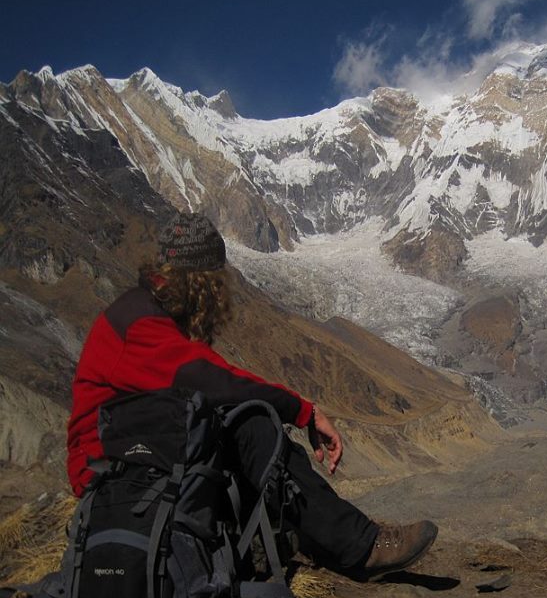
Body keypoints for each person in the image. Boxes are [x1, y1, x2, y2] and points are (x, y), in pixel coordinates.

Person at [66, 211, 437, 578]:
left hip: (131, 457)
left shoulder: (147, 313)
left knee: (232, 424)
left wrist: (301, 409)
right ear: (202, 280)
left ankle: (320, 534)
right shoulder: (141, 324)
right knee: (252, 424)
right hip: (110, 474)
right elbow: (219, 385)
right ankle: (360, 546)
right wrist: (302, 411)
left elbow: (216, 376)